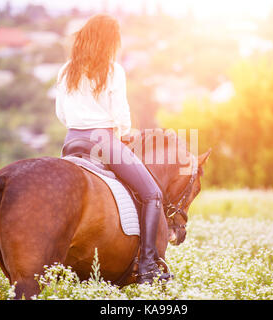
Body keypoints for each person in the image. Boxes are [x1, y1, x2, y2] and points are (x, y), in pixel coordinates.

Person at [55, 14, 171, 284]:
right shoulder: (113, 70)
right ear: (110, 41)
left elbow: (61, 113)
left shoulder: (65, 70)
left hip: (72, 141)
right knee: (152, 193)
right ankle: (147, 266)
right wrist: (122, 133)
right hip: (103, 141)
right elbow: (121, 114)